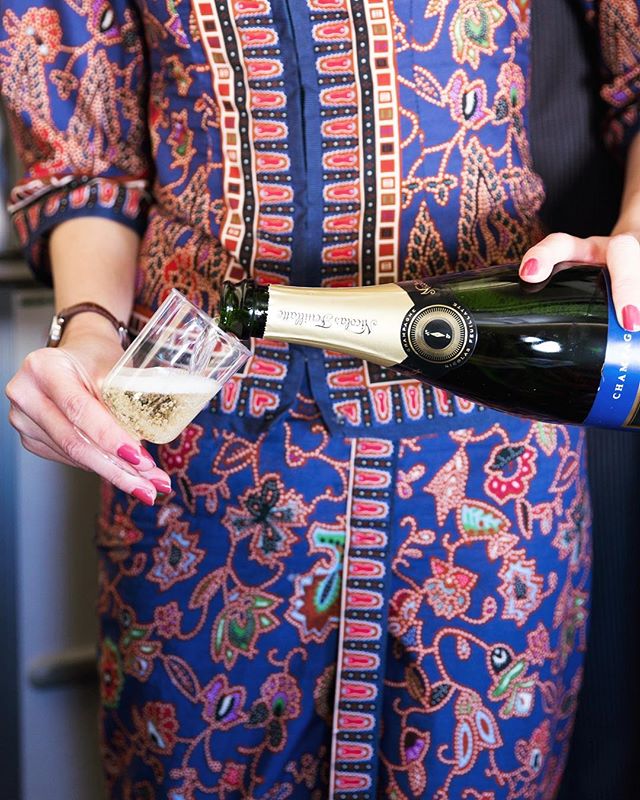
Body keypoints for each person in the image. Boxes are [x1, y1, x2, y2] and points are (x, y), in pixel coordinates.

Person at [2, 1, 640, 797]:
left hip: (490, 462)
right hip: (198, 466)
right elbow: (86, 157)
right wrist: (88, 329)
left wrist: (636, 233)